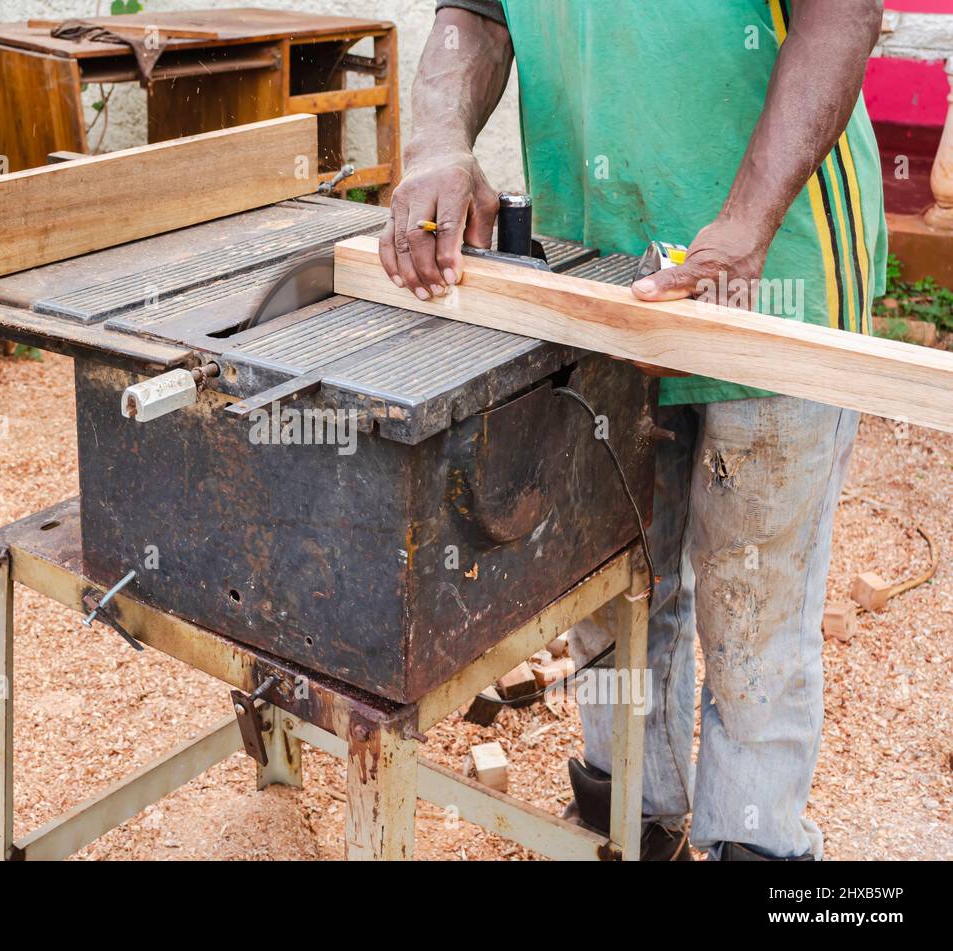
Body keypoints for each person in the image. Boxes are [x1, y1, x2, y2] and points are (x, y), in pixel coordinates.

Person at [380, 0, 887, 860]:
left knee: (752, 602)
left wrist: (748, 222)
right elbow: (477, 14)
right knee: (611, 578)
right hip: (599, 280)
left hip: (776, 273)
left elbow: (844, 13)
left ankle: (754, 845)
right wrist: (436, 143)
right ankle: (630, 818)